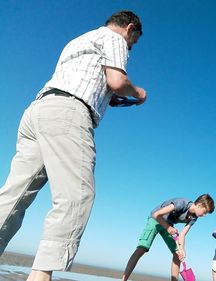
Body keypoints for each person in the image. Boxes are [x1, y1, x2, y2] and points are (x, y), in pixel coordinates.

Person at [0, 10, 146, 281]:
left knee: (15, 194)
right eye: (133, 42)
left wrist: (109, 95)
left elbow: (94, 80)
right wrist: (138, 93)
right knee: (77, 195)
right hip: (68, 114)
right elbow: (117, 81)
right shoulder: (114, 39)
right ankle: (40, 276)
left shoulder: (79, 40)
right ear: (129, 29)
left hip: (38, 110)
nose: (130, 47)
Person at [122, 194, 215, 281]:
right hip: (155, 220)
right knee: (142, 248)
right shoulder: (181, 203)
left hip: (168, 225)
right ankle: (124, 279)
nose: (204, 215)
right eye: (205, 211)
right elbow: (157, 214)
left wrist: (182, 250)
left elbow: (182, 235)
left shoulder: (194, 218)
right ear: (199, 204)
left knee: (177, 254)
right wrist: (168, 227)